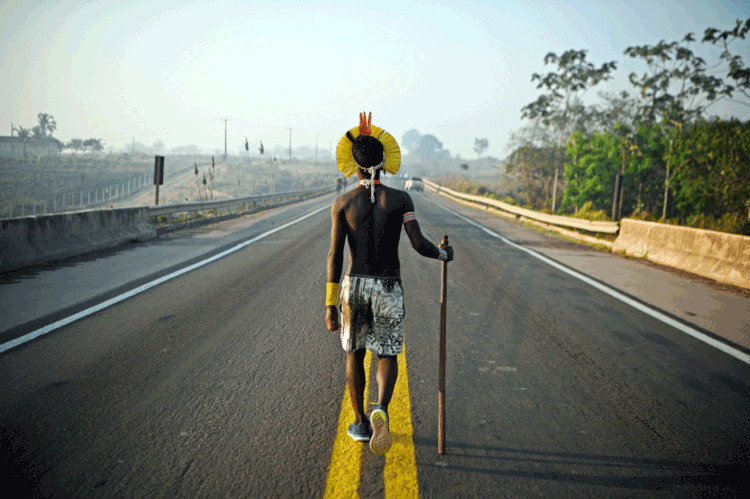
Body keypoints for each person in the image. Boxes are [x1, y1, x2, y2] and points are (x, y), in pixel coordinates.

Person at [325, 112, 454, 455]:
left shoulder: (342, 203)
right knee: (387, 352)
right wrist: (443, 255)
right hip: (387, 288)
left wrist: (330, 303)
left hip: (354, 288)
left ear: (354, 165)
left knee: (353, 351)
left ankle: (360, 422)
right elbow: (418, 244)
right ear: (383, 164)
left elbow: (334, 256)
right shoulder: (399, 201)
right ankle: (381, 406)